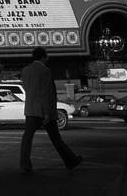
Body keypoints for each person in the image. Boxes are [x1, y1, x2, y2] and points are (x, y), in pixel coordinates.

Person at [19, 46, 82, 175]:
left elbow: (27, 88)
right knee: (56, 138)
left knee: (27, 138)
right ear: (43, 57)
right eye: (46, 56)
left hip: (31, 110)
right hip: (45, 111)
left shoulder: (25, 70)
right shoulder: (45, 71)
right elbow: (47, 93)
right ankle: (70, 161)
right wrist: (48, 112)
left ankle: (25, 165)